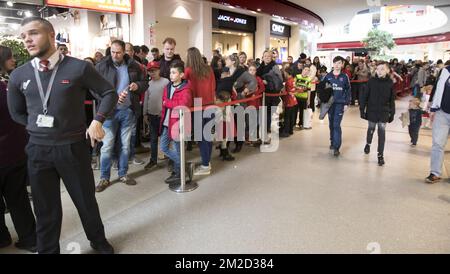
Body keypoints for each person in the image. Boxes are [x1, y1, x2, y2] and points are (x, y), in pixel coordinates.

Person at [7, 17, 117, 254]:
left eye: (33, 33)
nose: (27, 39)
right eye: (23, 36)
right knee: (46, 208)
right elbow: (16, 112)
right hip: (38, 150)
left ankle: (98, 242)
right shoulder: (19, 75)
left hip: (73, 147)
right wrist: (38, 129)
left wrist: (98, 120)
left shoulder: (79, 68)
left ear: (50, 35)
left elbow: (108, 93)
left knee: (85, 201)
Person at [95, 40, 149, 193]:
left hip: (128, 111)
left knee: (125, 146)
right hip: (108, 113)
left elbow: (145, 82)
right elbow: (93, 89)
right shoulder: (101, 66)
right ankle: (104, 177)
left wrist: (137, 86)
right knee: (107, 146)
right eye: (112, 51)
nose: (115, 55)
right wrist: (108, 99)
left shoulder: (134, 65)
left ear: (125, 51)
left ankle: (123, 174)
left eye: (118, 52)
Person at [0, 45, 37, 253]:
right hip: (14, 152)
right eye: (11, 57)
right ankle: (30, 238)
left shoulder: (8, 85)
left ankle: (2, 238)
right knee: (18, 198)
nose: (14, 60)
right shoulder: (7, 87)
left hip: (12, 152)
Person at [184, 47, 216, 176]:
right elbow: (214, 87)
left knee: (201, 137)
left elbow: (185, 89)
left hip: (197, 106)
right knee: (207, 136)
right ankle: (207, 162)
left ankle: (205, 165)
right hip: (210, 104)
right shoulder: (209, 69)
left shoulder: (188, 71)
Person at [160, 61, 192, 184]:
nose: (171, 75)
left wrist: (167, 103)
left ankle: (180, 172)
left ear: (182, 75)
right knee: (163, 147)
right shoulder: (167, 87)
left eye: (174, 73)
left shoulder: (186, 89)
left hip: (178, 124)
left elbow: (183, 105)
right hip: (166, 122)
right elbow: (164, 101)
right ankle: (183, 167)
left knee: (179, 150)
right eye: (170, 73)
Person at [359, 62, 395, 166]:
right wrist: (362, 109)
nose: (379, 71)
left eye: (382, 69)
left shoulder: (390, 83)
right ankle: (368, 143)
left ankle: (380, 155)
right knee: (371, 129)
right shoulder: (371, 81)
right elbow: (365, 96)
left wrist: (392, 113)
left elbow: (392, 99)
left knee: (382, 133)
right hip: (372, 110)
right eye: (378, 69)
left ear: (387, 70)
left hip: (383, 111)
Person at [322, 56, 351, 157]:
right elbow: (323, 90)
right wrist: (324, 101)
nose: (337, 65)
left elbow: (348, 90)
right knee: (331, 124)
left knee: (336, 125)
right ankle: (332, 142)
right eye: (335, 63)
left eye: (339, 63)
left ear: (342, 64)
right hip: (330, 104)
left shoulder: (345, 76)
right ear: (333, 64)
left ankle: (336, 147)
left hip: (340, 104)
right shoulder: (328, 76)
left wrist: (347, 103)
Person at [426, 64, 450, 183]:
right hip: (442, 112)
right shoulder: (445, 71)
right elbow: (437, 88)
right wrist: (432, 107)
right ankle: (435, 172)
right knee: (437, 143)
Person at [143, 61, 169, 171]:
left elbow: (168, 98)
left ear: (159, 70)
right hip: (152, 115)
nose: (152, 73)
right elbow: (146, 99)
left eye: (154, 70)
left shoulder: (166, 82)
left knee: (166, 139)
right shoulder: (148, 84)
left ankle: (171, 160)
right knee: (153, 139)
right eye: (150, 71)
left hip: (163, 115)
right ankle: (153, 160)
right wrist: (144, 113)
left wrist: (165, 111)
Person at [257, 50, 284, 138]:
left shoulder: (274, 67)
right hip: (262, 92)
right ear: (263, 57)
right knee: (262, 111)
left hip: (271, 93)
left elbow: (279, 80)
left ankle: (266, 128)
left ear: (271, 57)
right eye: (265, 56)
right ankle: (262, 128)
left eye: (269, 56)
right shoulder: (260, 67)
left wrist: (268, 81)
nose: (267, 58)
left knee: (268, 112)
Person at [280, 67, 298, 137]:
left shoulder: (288, 82)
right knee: (291, 116)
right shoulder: (293, 80)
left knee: (287, 117)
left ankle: (286, 131)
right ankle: (291, 130)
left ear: (287, 73)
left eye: (284, 73)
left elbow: (286, 92)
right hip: (293, 101)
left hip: (289, 101)